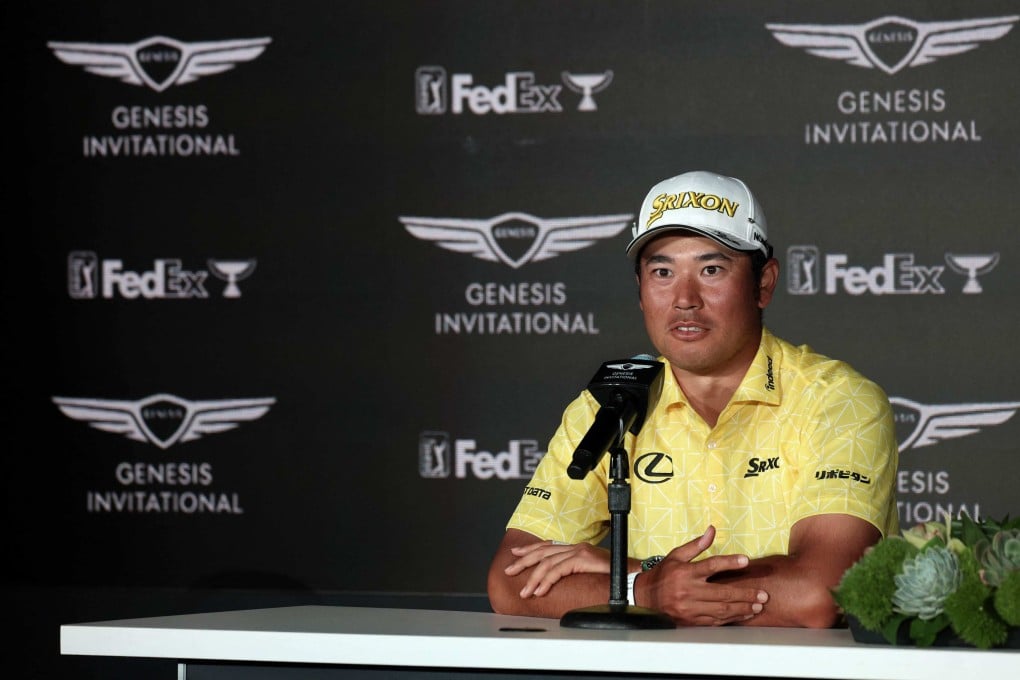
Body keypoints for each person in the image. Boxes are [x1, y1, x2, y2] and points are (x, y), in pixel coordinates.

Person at [486, 170, 899, 627]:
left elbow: (816, 592)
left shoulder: (839, 400)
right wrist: (644, 589)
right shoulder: (608, 404)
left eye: (711, 270)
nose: (684, 299)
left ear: (764, 283)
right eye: (662, 272)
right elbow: (511, 581)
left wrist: (644, 580)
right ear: (640, 291)